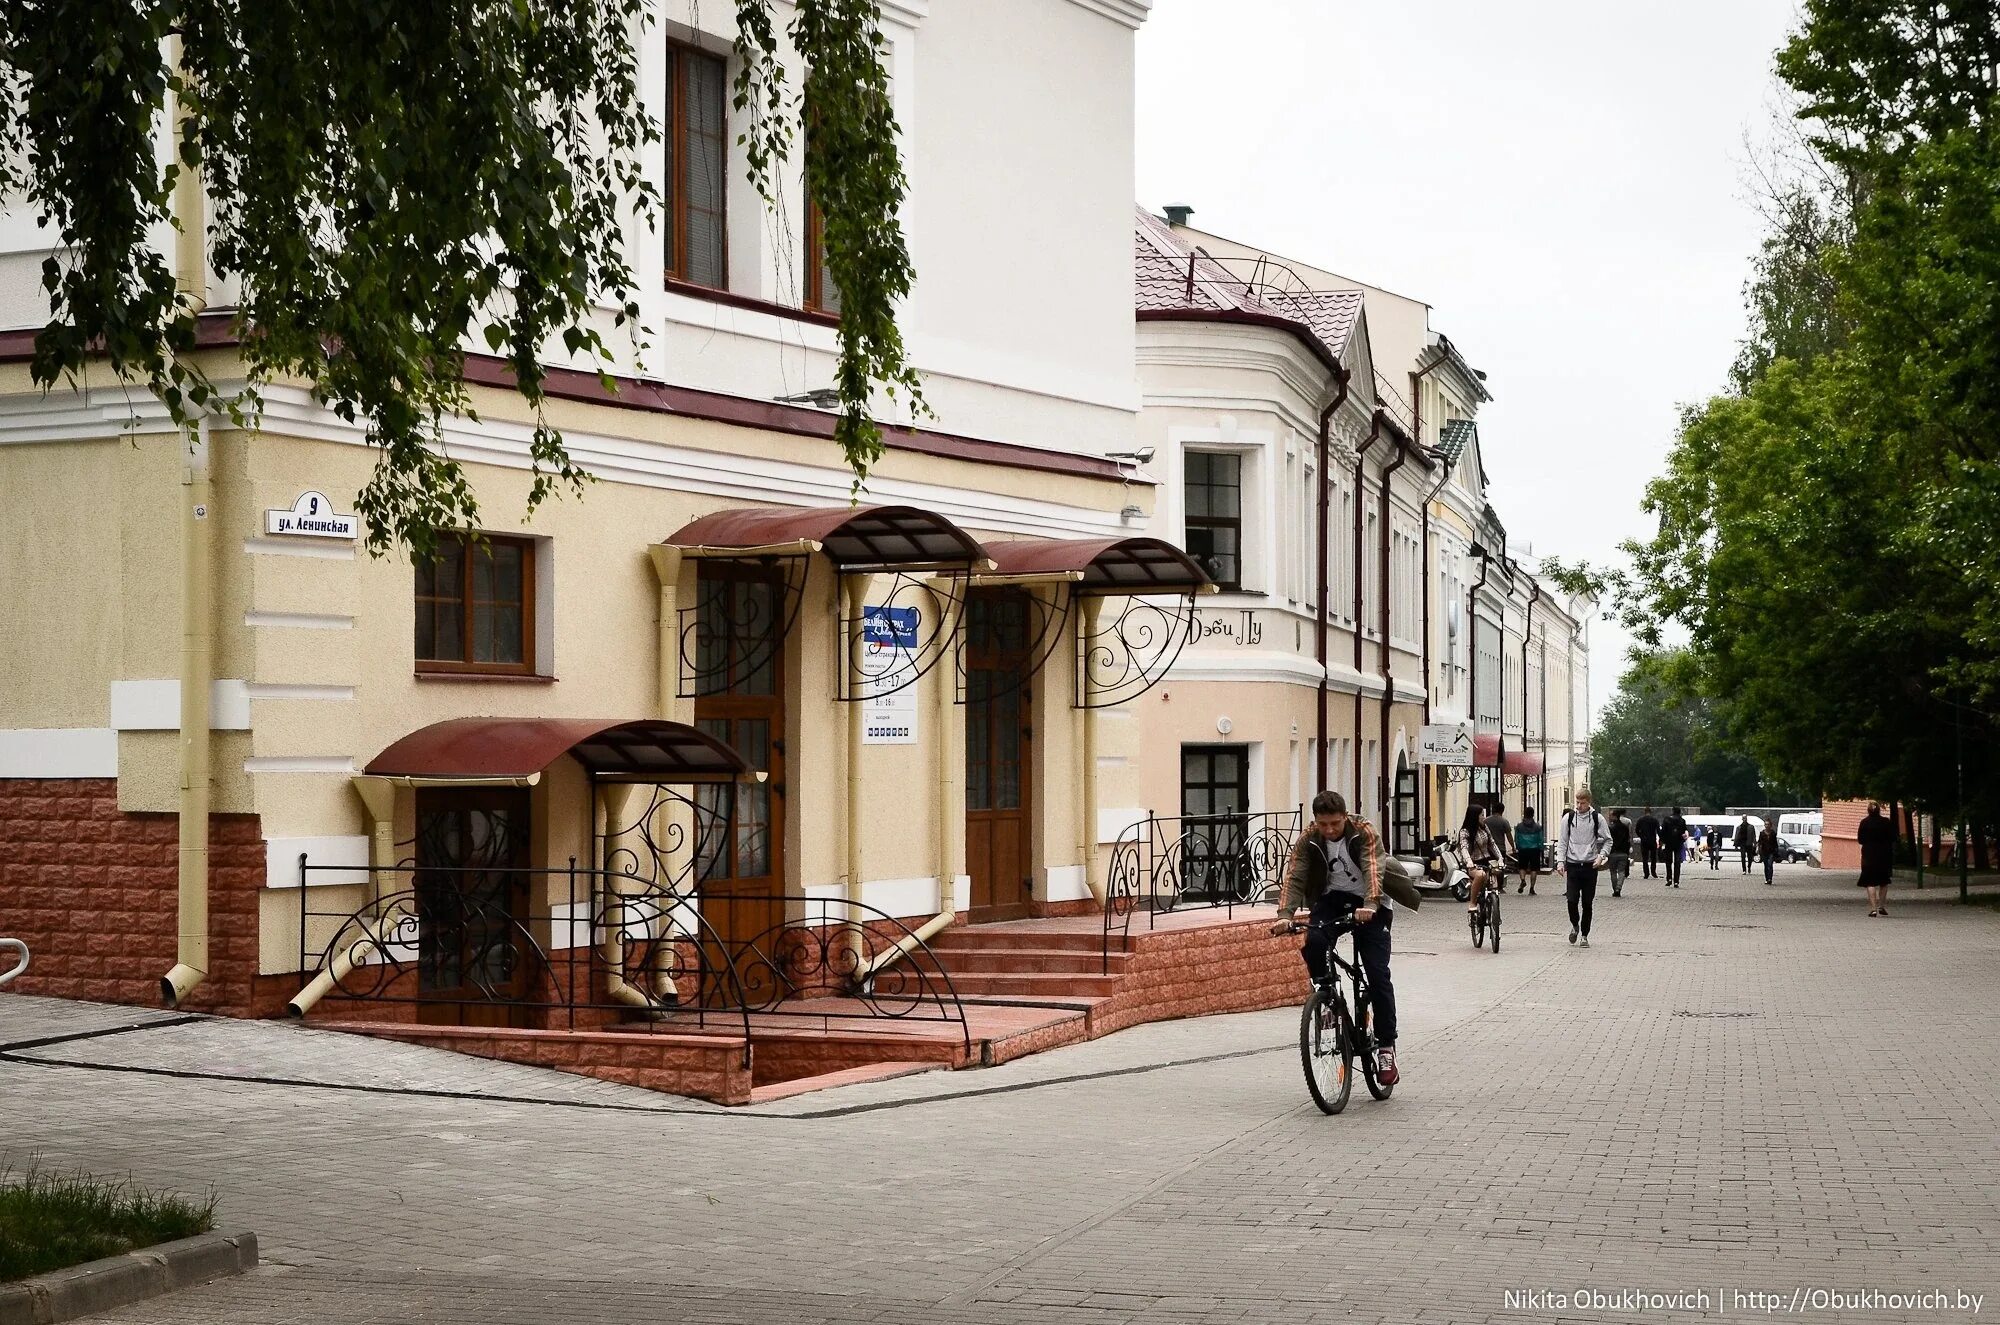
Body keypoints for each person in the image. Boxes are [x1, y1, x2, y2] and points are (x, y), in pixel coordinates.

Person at [1273, 791, 1403, 1083]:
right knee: (1315, 942)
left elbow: (1373, 866)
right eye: (1323, 824)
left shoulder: (1364, 831)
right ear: (1316, 822)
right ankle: (1328, 997)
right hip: (1333, 899)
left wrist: (1370, 905)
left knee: (1377, 974)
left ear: (1345, 817)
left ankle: (1386, 1047)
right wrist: (1285, 915)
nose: (1329, 830)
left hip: (1372, 903)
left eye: (1334, 823)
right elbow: (1295, 875)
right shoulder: (1310, 838)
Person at [1559, 789, 1613, 946]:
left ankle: (1584, 935)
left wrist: (1601, 856)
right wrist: (1560, 862)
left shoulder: (1597, 818)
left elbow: (1608, 840)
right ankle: (1575, 925)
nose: (1579, 806)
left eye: (1582, 803)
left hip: (1590, 865)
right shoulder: (1569, 818)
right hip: (1573, 864)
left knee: (1587, 902)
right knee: (1571, 900)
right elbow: (1563, 841)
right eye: (1577, 802)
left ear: (1589, 802)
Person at [1459, 803, 1502, 916]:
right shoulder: (1465, 831)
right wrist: (1469, 861)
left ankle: (1493, 905)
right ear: (1474, 816)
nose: (1484, 817)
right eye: (1481, 815)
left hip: (1487, 859)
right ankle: (1472, 903)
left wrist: (1500, 858)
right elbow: (1464, 848)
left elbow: (1492, 844)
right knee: (1480, 875)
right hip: (1473, 862)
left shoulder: (1484, 828)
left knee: (1496, 873)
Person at [1857, 800, 1895, 917]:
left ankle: (1873, 909)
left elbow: (1860, 840)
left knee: (1870, 882)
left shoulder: (1864, 823)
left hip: (1869, 855)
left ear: (1868, 810)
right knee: (1884, 881)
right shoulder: (1886, 822)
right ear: (1879, 810)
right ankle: (1881, 906)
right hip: (1884, 855)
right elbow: (1893, 838)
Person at [1513, 807, 1545, 895]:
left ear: (1525, 814)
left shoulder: (1519, 826)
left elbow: (1516, 838)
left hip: (1523, 849)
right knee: (1534, 869)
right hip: (1534, 850)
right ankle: (1532, 888)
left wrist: (1518, 846)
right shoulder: (1537, 827)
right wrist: (1541, 848)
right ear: (1533, 814)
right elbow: (1540, 839)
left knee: (1522, 867)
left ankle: (1523, 880)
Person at [1661, 806, 1689, 887]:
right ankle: (1676, 881)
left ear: (1672, 811)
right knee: (1677, 862)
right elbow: (1683, 832)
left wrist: (1663, 841)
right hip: (1678, 843)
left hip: (1668, 843)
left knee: (1668, 861)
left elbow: (1663, 831)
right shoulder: (1682, 821)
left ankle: (1669, 878)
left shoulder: (1667, 819)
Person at [1607, 807, 1632, 896]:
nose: (1609, 817)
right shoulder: (1625, 827)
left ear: (1615, 816)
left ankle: (1615, 889)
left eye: (1610, 815)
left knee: (1613, 872)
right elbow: (1628, 839)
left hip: (1613, 852)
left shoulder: (1610, 828)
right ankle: (1619, 888)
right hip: (1623, 852)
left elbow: (1608, 840)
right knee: (1621, 871)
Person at [1635, 807, 1661, 879]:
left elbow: (1637, 830)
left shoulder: (1641, 820)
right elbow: (1658, 830)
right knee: (1653, 858)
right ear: (1651, 812)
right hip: (1652, 840)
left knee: (1645, 858)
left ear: (1645, 812)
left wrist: (1641, 836)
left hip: (1644, 841)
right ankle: (1653, 872)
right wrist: (1660, 839)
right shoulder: (1654, 820)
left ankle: (1646, 873)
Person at [1757, 820, 1779, 885]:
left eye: (1768, 824)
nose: (1767, 826)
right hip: (1764, 851)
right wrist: (1758, 849)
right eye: (1766, 824)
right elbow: (1759, 842)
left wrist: (1776, 850)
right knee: (1766, 865)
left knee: (1770, 865)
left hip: (1771, 851)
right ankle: (1766, 878)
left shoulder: (1773, 833)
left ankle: (1770, 879)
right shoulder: (1762, 833)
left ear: (1770, 825)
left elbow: (1775, 843)